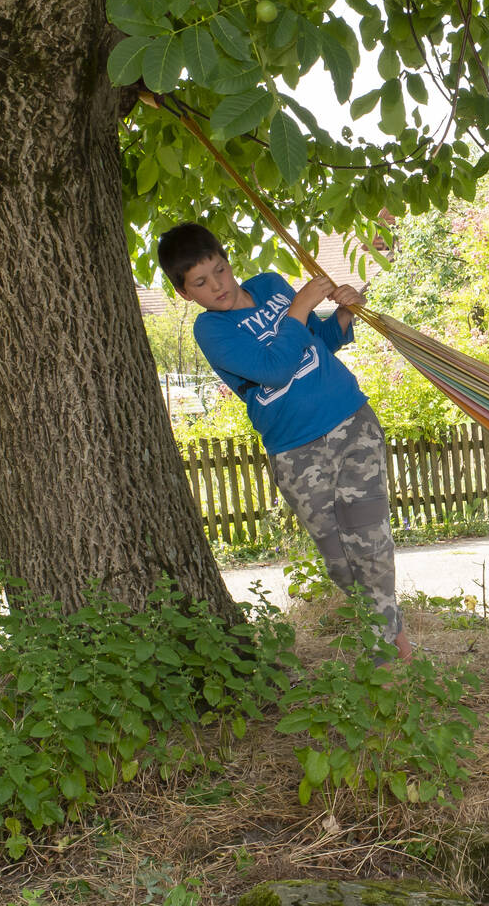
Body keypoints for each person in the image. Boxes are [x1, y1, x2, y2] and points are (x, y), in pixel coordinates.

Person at [159, 222, 411, 662]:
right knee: (340, 563)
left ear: (227, 260)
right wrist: (299, 306)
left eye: (219, 269)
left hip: (350, 423)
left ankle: (392, 661)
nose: (216, 285)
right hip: (295, 451)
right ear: (185, 293)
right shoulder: (213, 332)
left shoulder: (272, 286)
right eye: (200, 282)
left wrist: (346, 313)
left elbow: (319, 342)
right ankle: (395, 644)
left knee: (369, 546)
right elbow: (273, 368)